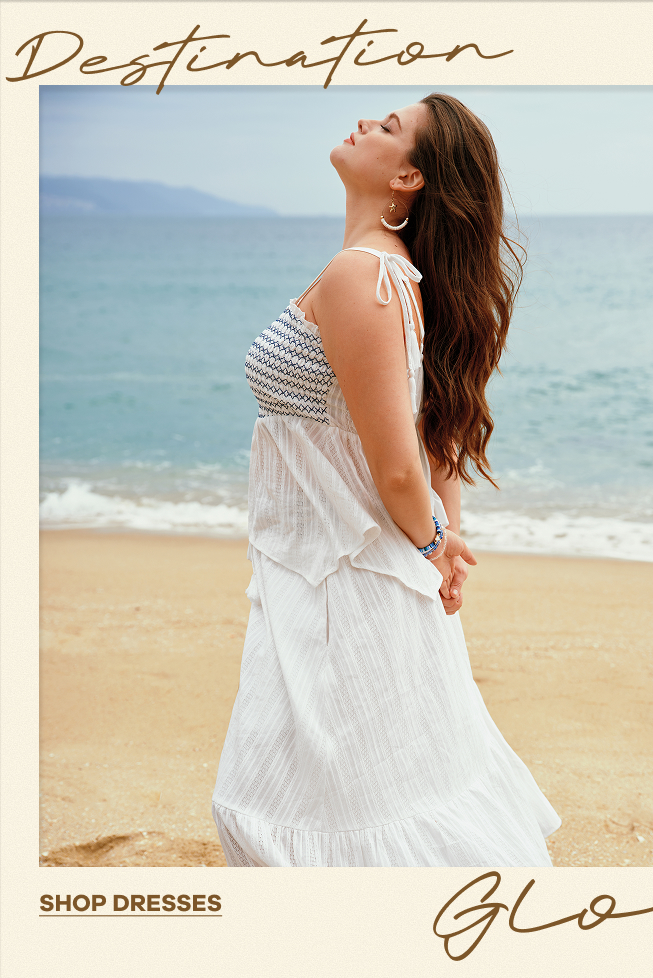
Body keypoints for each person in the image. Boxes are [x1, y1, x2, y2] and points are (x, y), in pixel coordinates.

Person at [212, 93, 561, 867]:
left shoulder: (362, 274)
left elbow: (401, 463)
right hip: (339, 574)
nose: (367, 122)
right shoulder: (394, 276)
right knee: (361, 804)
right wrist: (446, 536)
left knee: (311, 810)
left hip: (344, 584)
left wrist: (437, 543)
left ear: (408, 177)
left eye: (390, 127)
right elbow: (436, 430)